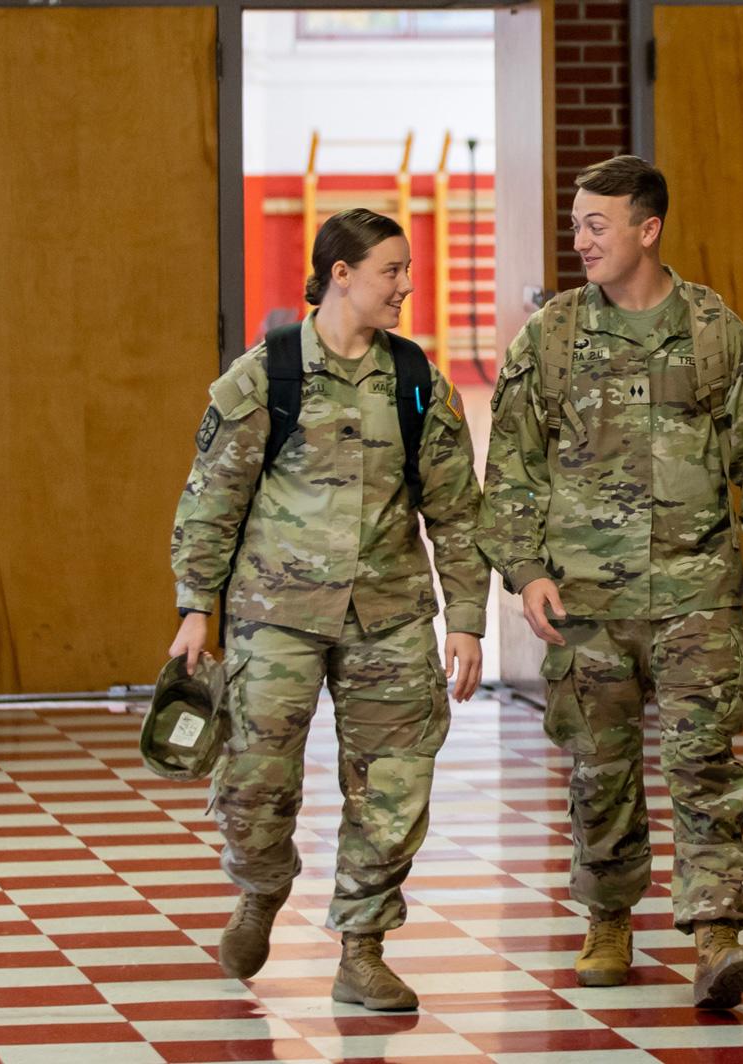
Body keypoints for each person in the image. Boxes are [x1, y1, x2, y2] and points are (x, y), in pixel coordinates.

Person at [480, 155, 743, 1010]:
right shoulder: (549, 337)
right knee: (599, 767)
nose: (579, 239)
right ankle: (608, 918)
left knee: (703, 761)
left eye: (598, 224)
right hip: (585, 604)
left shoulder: (711, 332)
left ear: (648, 229)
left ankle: (715, 933)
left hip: (700, 595)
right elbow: (510, 468)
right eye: (577, 223)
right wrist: (525, 572)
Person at [167, 208, 488, 1010]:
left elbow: (456, 510)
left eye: (408, 271)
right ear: (339, 274)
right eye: (392, 271)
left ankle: (363, 948)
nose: (407, 287)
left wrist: (468, 620)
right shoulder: (264, 377)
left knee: (394, 783)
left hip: (389, 614)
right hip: (275, 614)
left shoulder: (416, 382)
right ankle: (261, 888)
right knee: (253, 782)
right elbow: (210, 502)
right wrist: (194, 608)